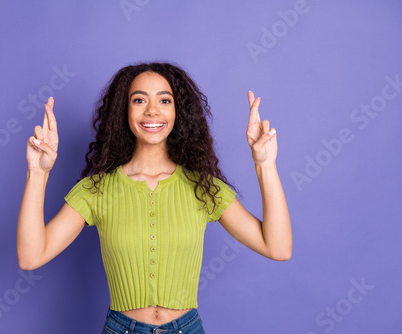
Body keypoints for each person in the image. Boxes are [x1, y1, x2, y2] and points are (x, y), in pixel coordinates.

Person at [16, 62, 292, 334]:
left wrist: (265, 165)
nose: (152, 110)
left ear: (178, 111)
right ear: (123, 111)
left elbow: (277, 248)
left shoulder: (203, 187)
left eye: (164, 100)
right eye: (139, 100)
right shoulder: (96, 189)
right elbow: (31, 256)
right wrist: (37, 173)